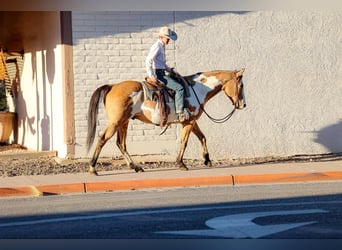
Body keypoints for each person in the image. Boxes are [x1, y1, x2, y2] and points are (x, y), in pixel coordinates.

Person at [145, 26, 189, 122]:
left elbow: (162, 64)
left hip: (161, 71)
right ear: (161, 37)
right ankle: (180, 113)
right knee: (179, 88)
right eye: (167, 38)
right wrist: (152, 75)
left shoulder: (161, 45)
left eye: (169, 39)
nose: (169, 41)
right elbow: (148, 60)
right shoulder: (157, 46)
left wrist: (171, 71)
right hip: (159, 74)